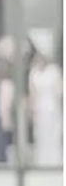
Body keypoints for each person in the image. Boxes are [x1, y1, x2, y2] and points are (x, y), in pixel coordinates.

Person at [27, 27, 63, 166]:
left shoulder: (54, 71)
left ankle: (54, 159)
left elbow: (59, 89)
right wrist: (31, 108)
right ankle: (43, 160)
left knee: (53, 132)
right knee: (41, 133)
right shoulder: (34, 72)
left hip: (51, 104)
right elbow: (32, 93)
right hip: (41, 105)